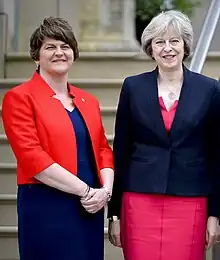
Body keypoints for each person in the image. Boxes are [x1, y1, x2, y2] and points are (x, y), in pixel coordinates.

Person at [108, 10, 220, 260]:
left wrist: (215, 213)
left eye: (174, 41)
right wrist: (113, 213)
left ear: (185, 45)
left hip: (190, 201)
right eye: (159, 42)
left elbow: (216, 155)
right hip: (139, 200)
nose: (167, 48)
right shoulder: (133, 87)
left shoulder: (209, 89)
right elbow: (121, 150)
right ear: (150, 48)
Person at [2, 17, 114, 260]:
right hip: (46, 205)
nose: (59, 53)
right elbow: (32, 157)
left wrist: (105, 191)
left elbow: (103, 150)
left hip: (89, 207)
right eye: (50, 47)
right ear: (36, 55)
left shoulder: (88, 100)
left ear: (73, 53)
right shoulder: (20, 97)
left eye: (65, 46)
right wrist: (85, 191)